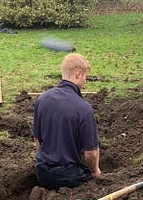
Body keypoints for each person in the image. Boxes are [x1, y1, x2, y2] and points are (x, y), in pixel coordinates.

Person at [33, 53, 101, 190]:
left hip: (42, 173)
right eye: (85, 77)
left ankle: (44, 193)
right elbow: (91, 153)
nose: (85, 82)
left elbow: (37, 141)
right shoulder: (83, 108)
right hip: (70, 178)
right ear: (78, 74)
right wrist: (95, 171)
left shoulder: (41, 100)